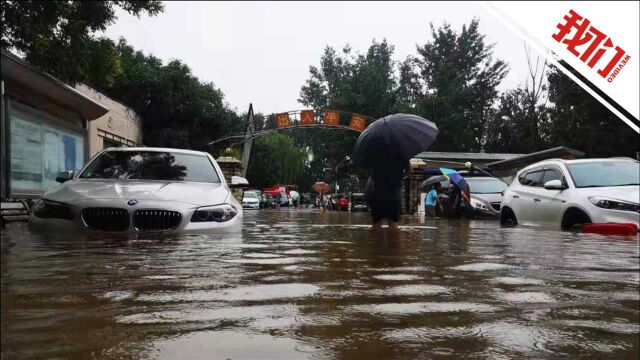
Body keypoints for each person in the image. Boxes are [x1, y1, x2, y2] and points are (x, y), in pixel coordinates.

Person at [365, 161, 411, 230]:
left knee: (376, 224)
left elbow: (369, 171)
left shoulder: (375, 153)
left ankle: (375, 240)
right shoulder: (402, 152)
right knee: (393, 225)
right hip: (393, 193)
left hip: (378, 191)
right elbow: (409, 171)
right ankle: (393, 240)